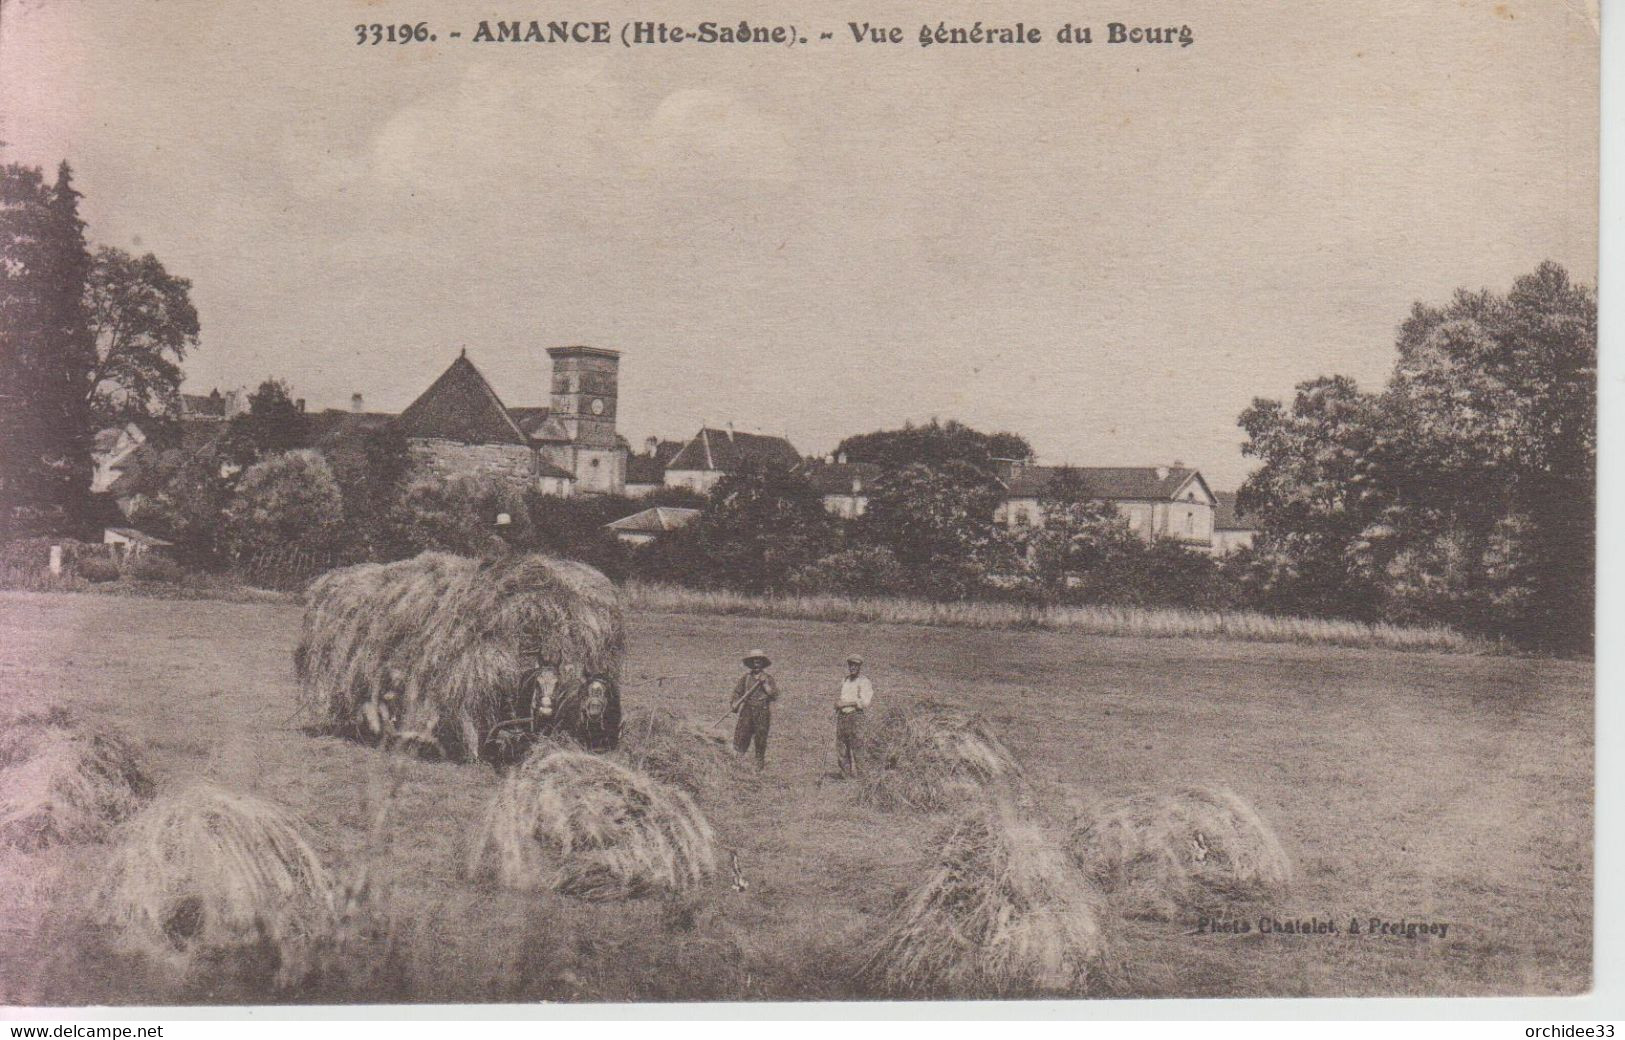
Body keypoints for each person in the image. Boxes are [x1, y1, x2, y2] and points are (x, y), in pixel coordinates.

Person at [729, 649, 779, 770]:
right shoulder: (745, 678)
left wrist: (764, 684)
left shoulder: (768, 678)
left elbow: (774, 695)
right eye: (754, 661)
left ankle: (758, 765)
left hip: (762, 711)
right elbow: (737, 692)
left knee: (760, 738)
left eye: (759, 661)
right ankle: (737, 763)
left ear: (762, 663)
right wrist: (734, 704)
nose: (756, 663)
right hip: (747, 710)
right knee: (742, 736)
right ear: (751, 663)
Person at [834, 654, 875, 777]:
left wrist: (845, 704)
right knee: (841, 747)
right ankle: (846, 776)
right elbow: (841, 697)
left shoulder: (864, 682)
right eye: (851, 665)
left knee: (858, 746)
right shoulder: (845, 680)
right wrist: (837, 704)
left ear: (859, 666)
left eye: (855, 665)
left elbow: (865, 702)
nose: (852, 667)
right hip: (842, 716)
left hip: (856, 717)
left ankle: (862, 778)